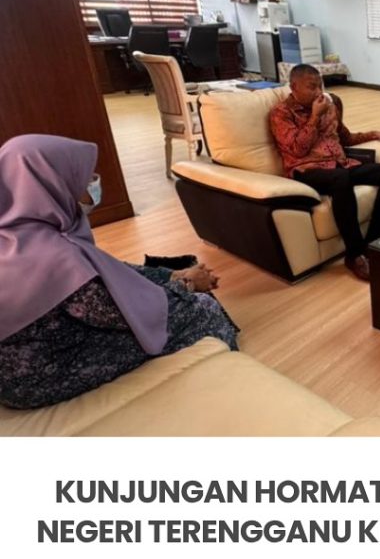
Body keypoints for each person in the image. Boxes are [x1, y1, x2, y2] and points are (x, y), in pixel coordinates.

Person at [0, 135, 238, 410]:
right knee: (201, 309)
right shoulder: (54, 255)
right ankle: (224, 395)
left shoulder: (15, 236)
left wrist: (168, 275)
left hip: (18, 364)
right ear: (51, 185)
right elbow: (121, 313)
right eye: (82, 180)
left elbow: (105, 271)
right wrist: (188, 284)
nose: (91, 186)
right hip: (39, 377)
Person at [269, 64, 380, 281]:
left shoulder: (329, 105)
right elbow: (297, 149)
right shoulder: (281, 113)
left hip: (341, 165)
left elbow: (346, 138)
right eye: (311, 87)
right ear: (294, 87)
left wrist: (375, 133)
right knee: (341, 178)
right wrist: (314, 117)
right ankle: (355, 254)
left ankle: (374, 244)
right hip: (307, 170)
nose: (318, 92)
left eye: (320, 86)